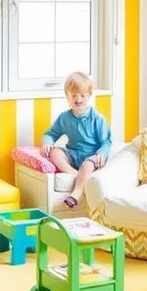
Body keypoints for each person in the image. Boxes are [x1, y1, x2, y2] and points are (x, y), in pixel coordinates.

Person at [40, 71, 112, 209]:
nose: (78, 99)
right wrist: (47, 142)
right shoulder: (65, 117)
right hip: (73, 153)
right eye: (74, 95)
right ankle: (74, 173)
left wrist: (101, 154)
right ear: (67, 97)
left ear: (89, 96)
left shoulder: (97, 118)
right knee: (55, 152)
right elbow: (51, 133)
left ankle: (76, 194)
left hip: (91, 156)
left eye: (82, 95)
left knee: (87, 165)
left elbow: (106, 142)